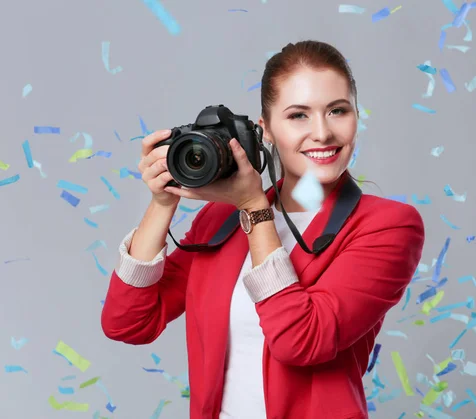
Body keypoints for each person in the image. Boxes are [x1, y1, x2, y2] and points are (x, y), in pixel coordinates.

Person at [101, 40, 425, 419]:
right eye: (298, 116)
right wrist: (162, 202)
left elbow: (300, 342)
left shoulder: (387, 226)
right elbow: (127, 323)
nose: (322, 133)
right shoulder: (220, 221)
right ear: (265, 129)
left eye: (337, 110)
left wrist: (254, 207)